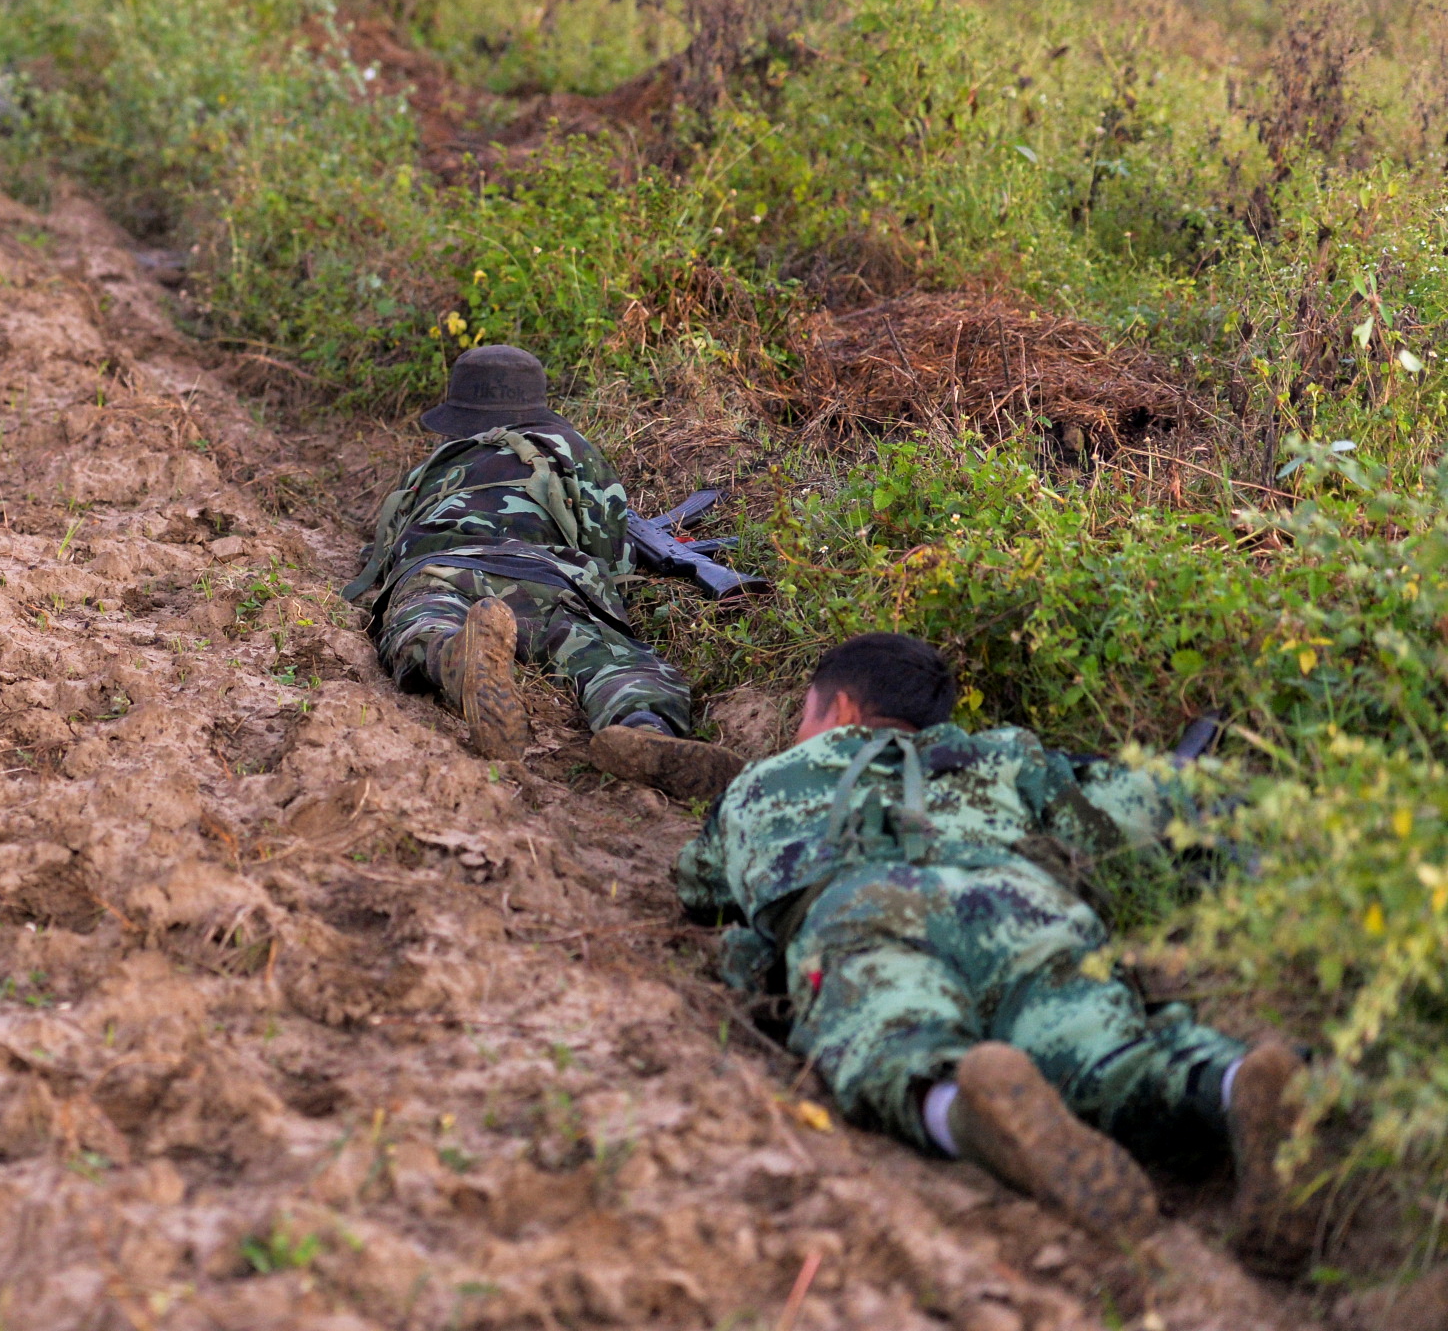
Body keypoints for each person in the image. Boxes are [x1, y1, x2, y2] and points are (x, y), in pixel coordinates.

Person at [674, 632, 1308, 1259]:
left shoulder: (761, 783)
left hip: (865, 912)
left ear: (838, 709)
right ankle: (1232, 1081)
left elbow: (698, 883)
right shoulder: (1000, 753)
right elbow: (1110, 824)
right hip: (1022, 904)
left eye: (804, 714)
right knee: (1105, 1049)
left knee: (892, 1045)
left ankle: (970, 1113)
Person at [342, 343, 743, 796]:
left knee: (425, 619)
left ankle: (451, 653)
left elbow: (388, 548)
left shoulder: (433, 466)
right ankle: (643, 724)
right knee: (604, 655)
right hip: (548, 575)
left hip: (444, 566)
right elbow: (610, 553)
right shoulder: (572, 451)